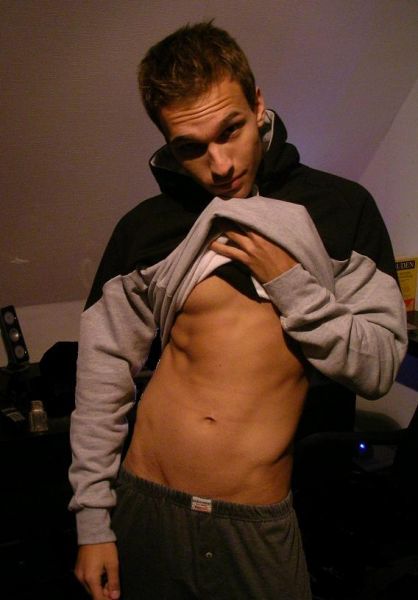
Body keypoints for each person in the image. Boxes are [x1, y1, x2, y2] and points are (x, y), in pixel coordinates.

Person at [69, 21, 407, 600]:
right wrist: (93, 521)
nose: (221, 165)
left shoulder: (339, 210)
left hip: (255, 523)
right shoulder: (147, 230)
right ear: (167, 144)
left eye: (231, 130)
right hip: (146, 503)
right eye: (191, 148)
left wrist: (291, 284)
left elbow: (377, 369)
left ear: (258, 105)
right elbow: (103, 379)